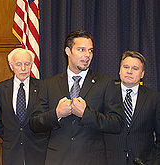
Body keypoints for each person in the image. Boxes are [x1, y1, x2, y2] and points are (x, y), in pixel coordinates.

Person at [29, 30, 124, 165]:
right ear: (68, 51)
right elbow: (34, 124)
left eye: (90, 51)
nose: (87, 55)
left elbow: (117, 124)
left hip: (92, 160)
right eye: (81, 50)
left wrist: (86, 114)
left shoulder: (105, 83)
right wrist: (57, 114)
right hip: (57, 159)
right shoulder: (49, 84)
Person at [0, 48, 48, 165]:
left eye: (27, 64)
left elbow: (47, 119)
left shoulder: (43, 87)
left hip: (37, 150)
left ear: (32, 65)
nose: (23, 68)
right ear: (11, 65)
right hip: (11, 150)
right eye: (18, 64)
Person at [105, 51, 160, 165]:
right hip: (110, 160)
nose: (129, 71)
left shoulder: (154, 98)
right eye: (126, 67)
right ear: (120, 71)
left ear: (142, 74)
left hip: (143, 161)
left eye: (135, 68)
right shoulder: (105, 94)